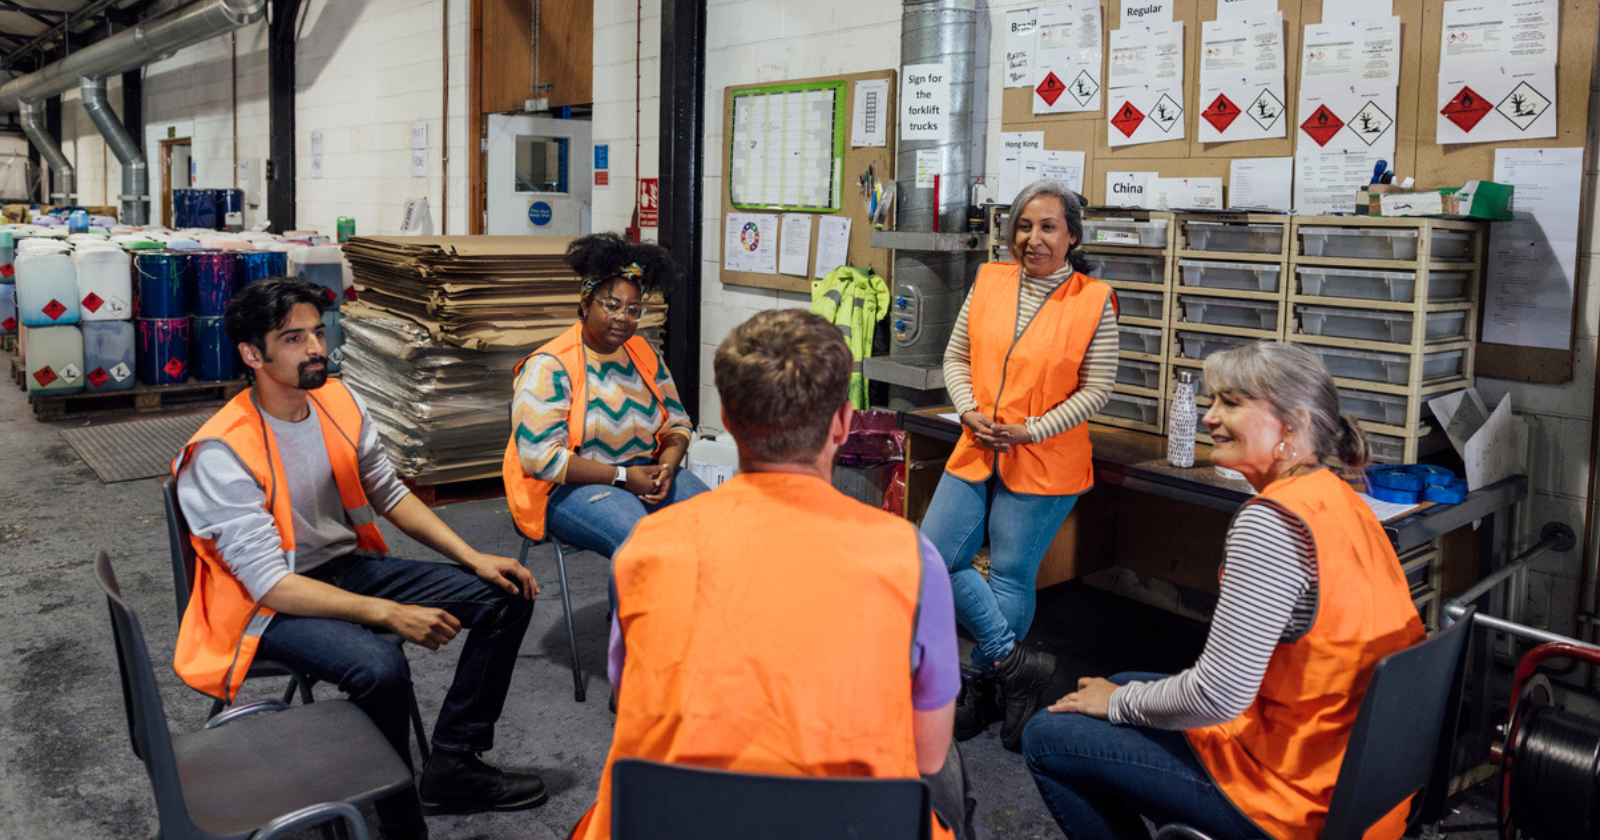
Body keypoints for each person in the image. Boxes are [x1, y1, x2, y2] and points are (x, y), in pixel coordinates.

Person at [568, 309, 974, 840]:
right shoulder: (910, 558)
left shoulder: (647, 547)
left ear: (728, 419)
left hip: (666, 818)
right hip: (850, 823)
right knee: (948, 770)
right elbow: (926, 750)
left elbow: (630, 700)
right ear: (843, 424)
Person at [173, 277, 546, 840]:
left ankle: (453, 764)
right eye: (293, 339)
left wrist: (474, 558)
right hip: (267, 606)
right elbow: (271, 585)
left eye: (318, 334)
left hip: (343, 569)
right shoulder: (222, 450)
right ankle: (399, 822)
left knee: (505, 596)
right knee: (379, 666)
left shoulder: (338, 401)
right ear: (253, 354)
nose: (316, 349)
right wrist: (388, 614)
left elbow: (389, 493)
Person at [1021, 342, 1427, 840]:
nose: (1210, 417)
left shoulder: (1272, 525)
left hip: (1297, 804)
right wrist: (1121, 695)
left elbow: (1219, 694)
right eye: (1213, 401)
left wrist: (1120, 703)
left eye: (1231, 403)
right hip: (1357, 781)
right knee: (1120, 681)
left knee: (1047, 734)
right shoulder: (1339, 498)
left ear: (1293, 426)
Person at [922, 179, 1119, 751]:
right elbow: (956, 355)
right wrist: (968, 410)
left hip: (1046, 456)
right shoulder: (989, 279)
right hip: (978, 441)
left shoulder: (1093, 299)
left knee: (1010, 573)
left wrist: (1032, 429)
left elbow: (1097, 390)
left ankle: (985, 685)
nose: (1033, 238)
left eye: (1048, 227)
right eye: (1024, 226)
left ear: (1072, 235)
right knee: (933, 558)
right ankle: (1018, 668)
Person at [503, 232, 709, 557]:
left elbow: (678, 424)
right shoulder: (550, 365)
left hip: (645, 471)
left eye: (633, 310)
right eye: (612, 306)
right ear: (584, 305)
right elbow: (540, 458)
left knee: (718, 524)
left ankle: (697, 609)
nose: (623, 318)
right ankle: (629, 611)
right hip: (568, 487)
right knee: (641, 541)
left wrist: (666, 468)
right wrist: (624, 478)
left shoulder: (643, 353)